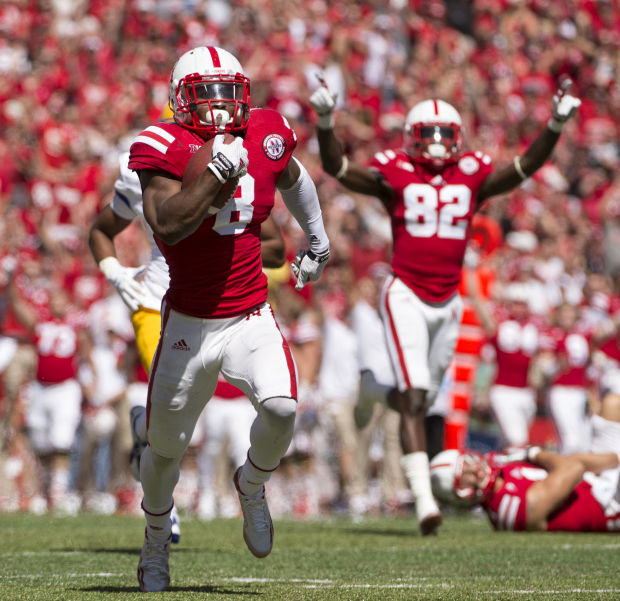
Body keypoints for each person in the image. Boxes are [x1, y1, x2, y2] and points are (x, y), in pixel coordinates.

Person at [309, 78, 581, 535]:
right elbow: (338, 167)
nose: (436, 144)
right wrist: (324, 121)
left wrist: (554, 124)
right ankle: (422, 502)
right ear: (412, 136)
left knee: (424, 399)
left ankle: (379, 392)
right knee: (416, 396)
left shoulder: (471, 172)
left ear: (457, 138)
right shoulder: (395, 171)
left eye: (444, 134)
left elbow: (520, 169)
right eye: (428, 134)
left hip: (448, 299)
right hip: (406, 292)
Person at [127, 46, 330, 592]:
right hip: (190, 322)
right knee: (166, 449)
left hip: (249, 313)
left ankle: (253, 483)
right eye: (205, 93)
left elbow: (293, 175)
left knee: (284, 407)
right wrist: (212, 176)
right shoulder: (162, 144)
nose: (219, 106)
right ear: (179, 99)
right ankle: (153, 540)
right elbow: (167, 224)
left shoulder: (265, 128)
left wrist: (317, 236)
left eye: (227, 91)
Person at [429, 394, 620, 532]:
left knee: (612, 402)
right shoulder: (509, 509)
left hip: (596, 475)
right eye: (465, 476)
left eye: (468, 462)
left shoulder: (498, 463)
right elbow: (574, 467)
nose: (475, 469)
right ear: (461, 496)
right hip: (608, 504)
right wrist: (535, 453)